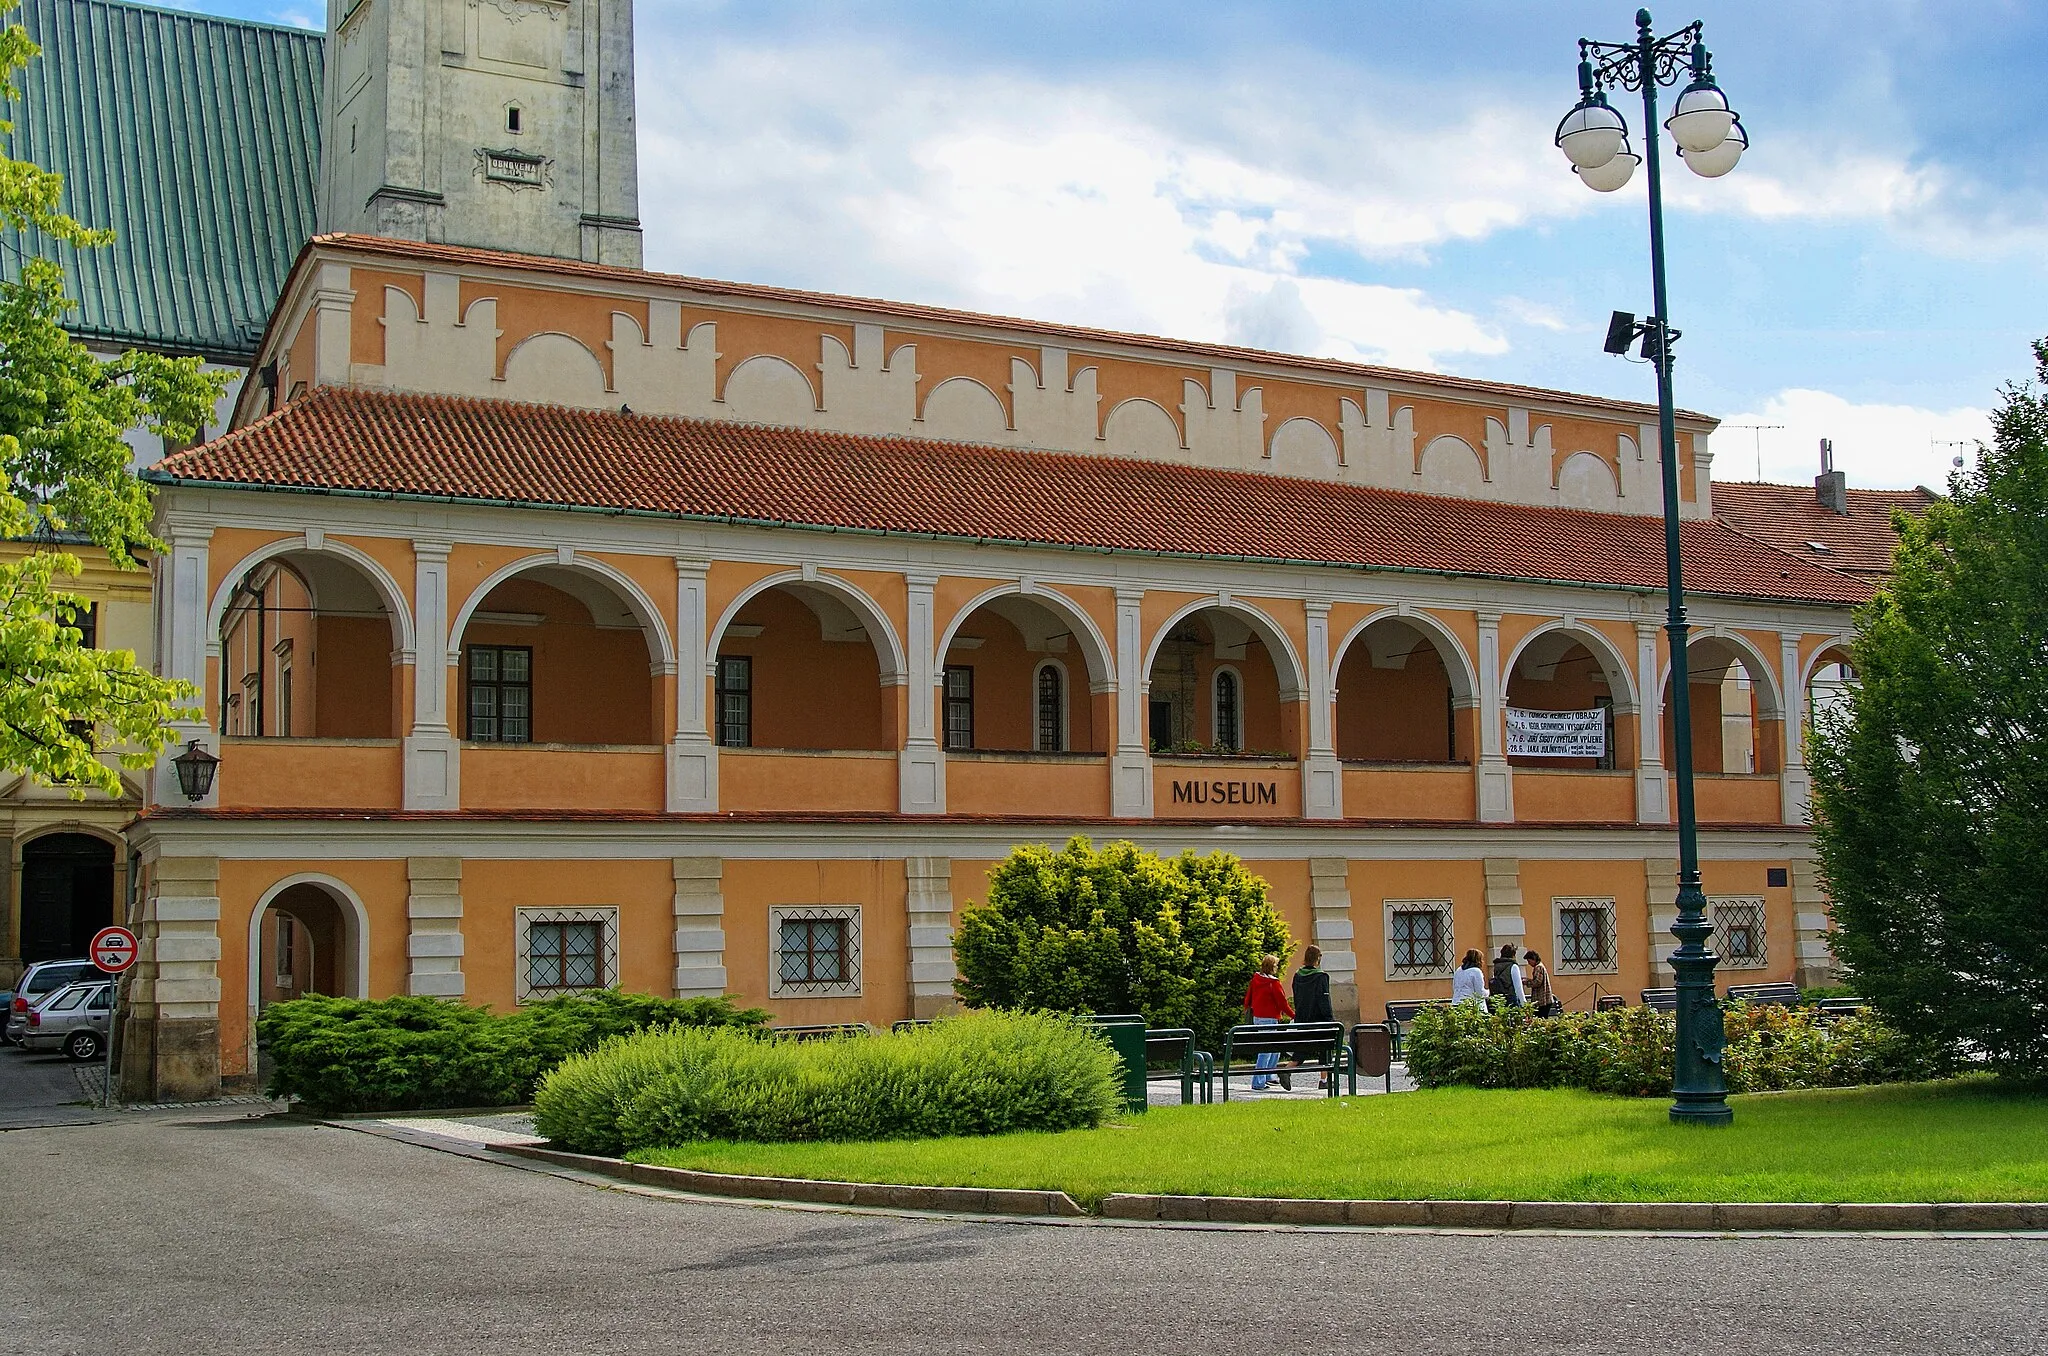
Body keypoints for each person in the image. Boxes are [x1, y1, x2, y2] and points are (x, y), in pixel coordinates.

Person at [1241, 953, 1294, 1091]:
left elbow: (1248, 997)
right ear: (1272, 967)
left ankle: (1269, 1075)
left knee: (1273, 1047)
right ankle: (1258, 1081)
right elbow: (1282, 1003)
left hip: (1258, 1017)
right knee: (1266, 1050)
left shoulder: (1256, 979)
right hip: (1270, 1018)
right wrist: (1294, 1015)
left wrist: (1246, 1008)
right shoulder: (1273, 983)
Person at [1292, 945, 1334, 1089]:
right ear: (1318, 959)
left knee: (1302, 1048)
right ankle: (1324, 1080)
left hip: (1303, 1018)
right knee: (1324, 1048)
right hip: (1319, 1020)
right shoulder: (1321, 977)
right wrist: (1330, 1019)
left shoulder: (1298, 976)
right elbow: (1323, 1000)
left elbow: (1296, 998)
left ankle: (1287, 1069)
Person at [1524, 949, 1558, 1016]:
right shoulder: (1540, 966)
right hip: (1544, 1000)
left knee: (1540, 1017)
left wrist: (1527, 982)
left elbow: (1537, 982)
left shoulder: (1538, 967)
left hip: (1542, 1000)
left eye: (1529, 961)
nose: (1528, 963)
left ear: (1533, 959)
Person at [1492, 943, 1526, 1008]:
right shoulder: (1513, 966)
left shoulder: (1496, 966)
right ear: (1513, 955)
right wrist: (1524, 1004)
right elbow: (1518, 987)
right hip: (1511, 998)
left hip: (1500, 998)